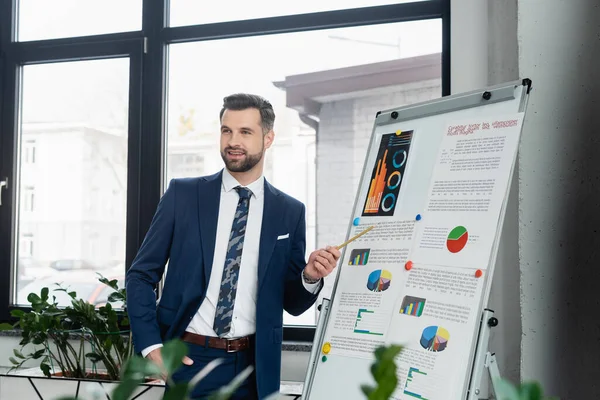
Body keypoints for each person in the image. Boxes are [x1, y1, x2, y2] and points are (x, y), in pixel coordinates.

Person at [125, 93, 341, 399]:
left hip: (254, 368)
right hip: (189, 358)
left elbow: (292, 303)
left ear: (268, 138)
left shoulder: (289, 212)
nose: (232, 140)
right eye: (226, 130)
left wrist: (310, 276)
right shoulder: (183, 196)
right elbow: (141, 276)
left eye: (245, 132)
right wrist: (151, 346)